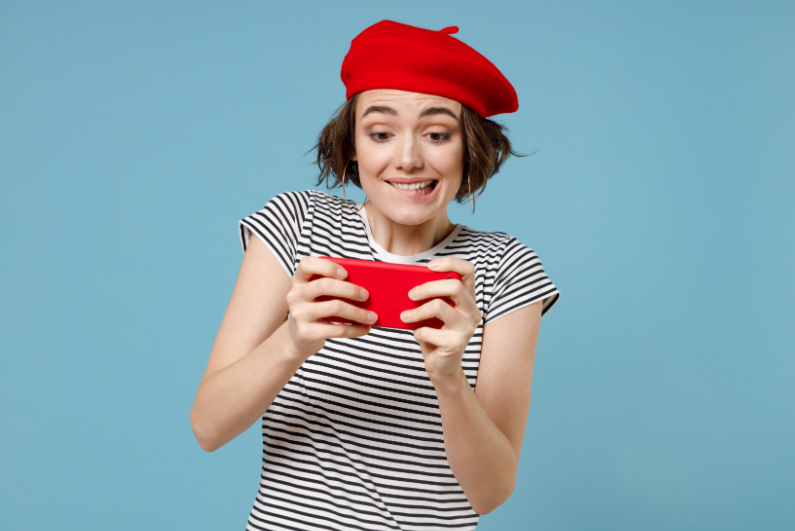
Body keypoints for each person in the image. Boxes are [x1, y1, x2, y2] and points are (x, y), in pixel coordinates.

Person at [190, 20, 560, 531]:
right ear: (351, 146)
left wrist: (449, 378)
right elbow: (208, 427)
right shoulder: (296, 226)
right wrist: (293, 341)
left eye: (437, 133)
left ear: (468, 147)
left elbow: (492, 493)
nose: (408, 159)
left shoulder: (504, 269)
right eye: (381, 133)